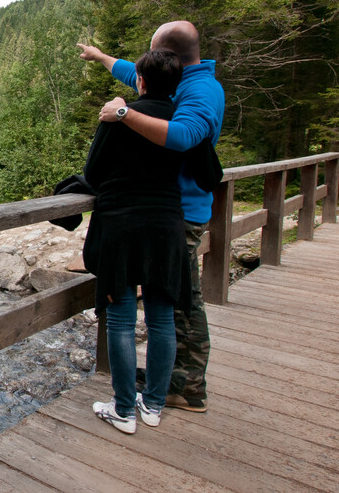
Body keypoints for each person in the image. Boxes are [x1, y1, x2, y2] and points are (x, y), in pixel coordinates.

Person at [78, 20, 225, 413]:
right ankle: (160, 393)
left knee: (182, 305)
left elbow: (183, 136)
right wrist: (100, 57)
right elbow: (135, 71)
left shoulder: (200, 92)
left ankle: (187, 386)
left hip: (179, 213)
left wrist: (123, 112)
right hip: (169, 215)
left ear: (170, 61)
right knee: (166, 309)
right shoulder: (178, 82)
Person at [83, 49, 190, 434]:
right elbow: (206, 170)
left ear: (140, 81)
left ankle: (124, 409)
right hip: (167, 224)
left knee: (123, 319)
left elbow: (92, 172)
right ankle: (154, 405)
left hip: (121, 225)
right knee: (162, 320)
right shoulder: (183, 119)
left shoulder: (119, 115)